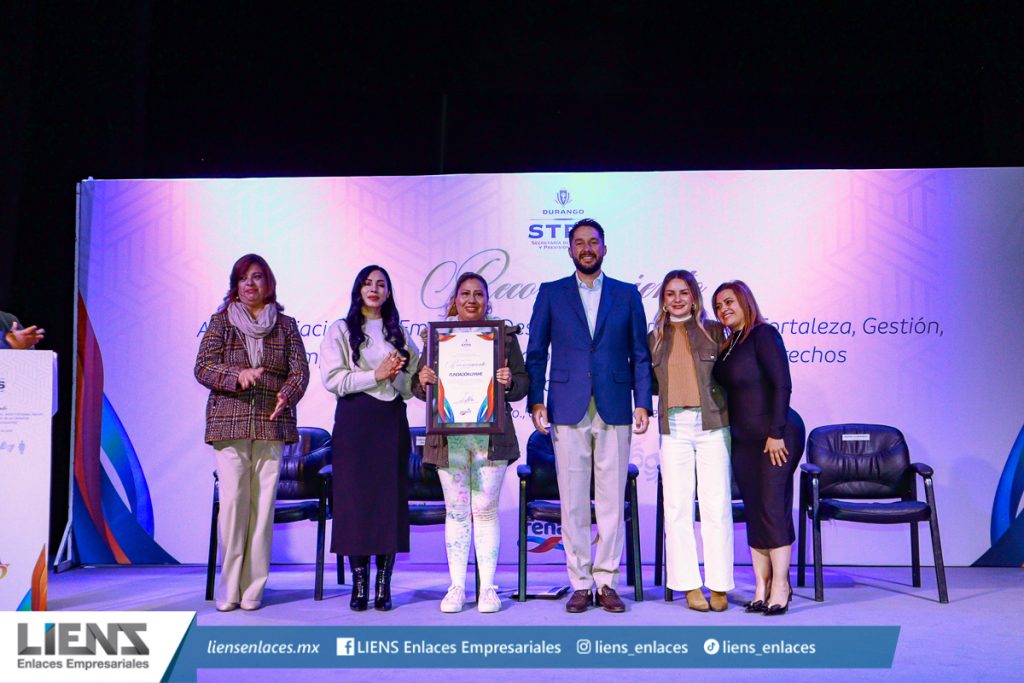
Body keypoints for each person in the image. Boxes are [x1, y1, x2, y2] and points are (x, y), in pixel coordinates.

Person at [526, 217, 652, 614]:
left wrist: (643, 401)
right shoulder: (551, 293)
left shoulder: (627, 294)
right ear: (570, 250)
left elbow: (641, 354)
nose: (586, 248)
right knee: (574, 502)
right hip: (567, 406)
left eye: (593, 242)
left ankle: (606, 581)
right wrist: (535, 400)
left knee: (612, 500)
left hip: (615, 404)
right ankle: (580, 583)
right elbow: (536, 352)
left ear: (604, 248)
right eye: (579, 242)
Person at [194, 254, 310, 612]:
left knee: (262, 510)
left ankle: (253, 589)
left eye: (256, 277)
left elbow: (300, 372)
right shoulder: (221, 321)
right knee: (233, 507)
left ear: (268, 283)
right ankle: (230, 587)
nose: (249, 284)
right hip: (229, 422)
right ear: (235, 284)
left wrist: (286, 394)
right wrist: (237, 375)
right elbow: (203, 367)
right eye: (243, 278)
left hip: (271, 423)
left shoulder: (286, 325)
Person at [412, 272, 529, 614]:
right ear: (455, 300)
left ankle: (488, 588)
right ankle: (457, 588)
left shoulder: (504, 338)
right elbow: (419, 388)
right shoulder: (437, 337)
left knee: (486, 510)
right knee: (457, 511)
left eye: (479, 294)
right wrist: (422, 379)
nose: (472, 300)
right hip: (449, 440)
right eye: (465, 294)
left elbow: (523, 384)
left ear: (487, 301)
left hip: (491, 439)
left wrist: (509, 381)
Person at [320, 265, 419, 611]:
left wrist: (400, 376)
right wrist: (376, 374)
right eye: (367, 283)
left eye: (381, 284)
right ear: (358, 290)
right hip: (354, 422)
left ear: (389, 292)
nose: (374, 289)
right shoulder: (341, 329)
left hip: (390, 422)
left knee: (388, 503)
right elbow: (333, 379)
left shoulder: (400, 334)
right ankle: (359, 585)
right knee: (354, 503)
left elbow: (409, 387)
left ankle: (383, 586)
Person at [711, 280, 803, 616]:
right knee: (754, 510)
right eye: (718, 305)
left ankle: (781, 585)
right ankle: (761, 586)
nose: (723, 309)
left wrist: (776, 433)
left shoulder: (764, 335)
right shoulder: (729, 344)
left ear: (745, 301)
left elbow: (782, 384)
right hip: (744, 440)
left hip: (776, 435)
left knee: (772, 508)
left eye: (729, 302)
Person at [649, 270, 733, 612]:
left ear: (694, 297)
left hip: (712, 425)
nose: (677, 299)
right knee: (677, 509)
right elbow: (649, 383)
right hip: (674, 429)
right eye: (670, 294)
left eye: (684, 292)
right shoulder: (653, 337)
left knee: (716, 507)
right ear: (663, 300)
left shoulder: (714, 331)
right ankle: (689, 585)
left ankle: (719, 585)